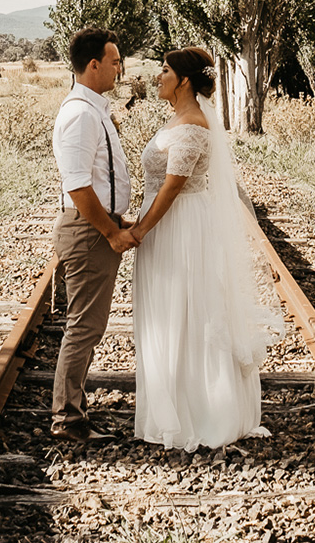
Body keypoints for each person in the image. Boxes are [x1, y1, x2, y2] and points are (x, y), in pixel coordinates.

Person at [127, 46, 277, 450]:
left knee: (185, 311)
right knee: (170, 311)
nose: (157, 77)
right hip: (167, 223)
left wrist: (139, 230)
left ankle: (199, 411)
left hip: (180, 227)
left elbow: (173, 187)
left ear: (185, 80)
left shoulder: (192, 124)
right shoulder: (179, 118)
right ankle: (170, 403)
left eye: (164, 71)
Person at [49, 25, 134, 442]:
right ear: (94, 64)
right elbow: (78, 185)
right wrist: (110, 231)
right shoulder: (81, 114)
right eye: (115, 61)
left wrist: (118, 219)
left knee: (89, 324)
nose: (120, 68)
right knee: (84, 325)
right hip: (88, 232)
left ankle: (71, 412)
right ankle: (68, 419)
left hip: (98, 226)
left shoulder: (94, 108)